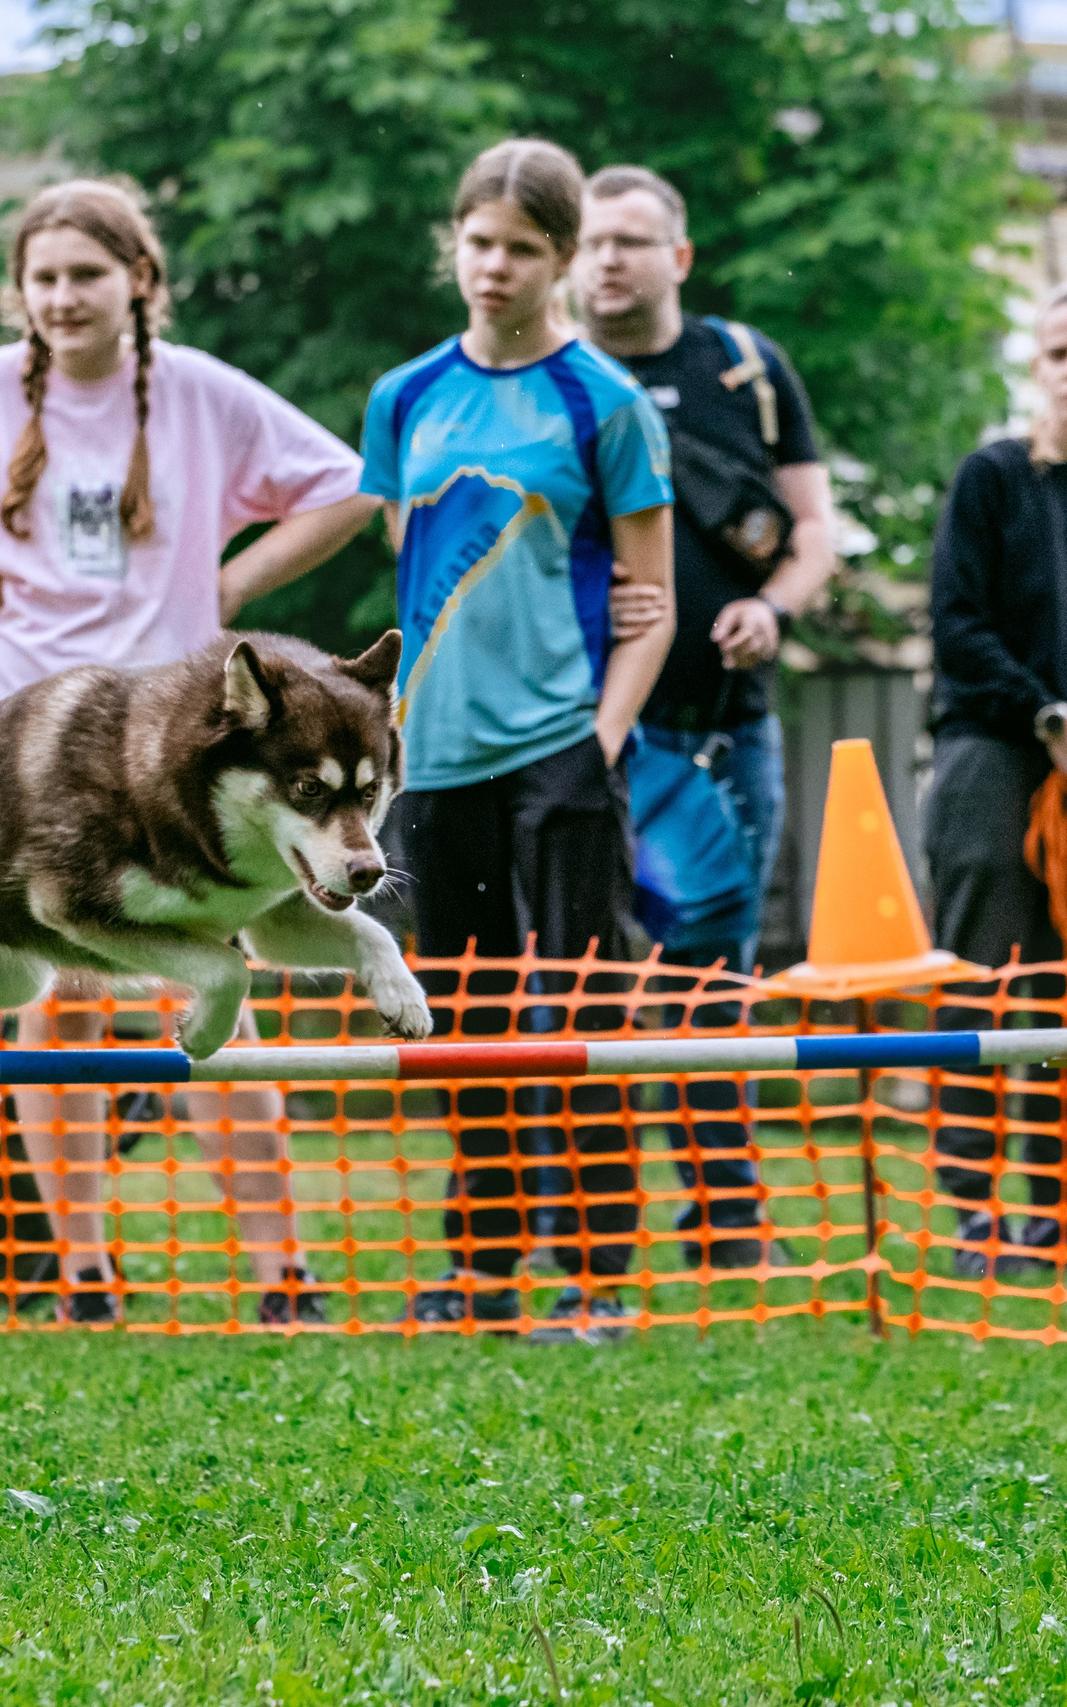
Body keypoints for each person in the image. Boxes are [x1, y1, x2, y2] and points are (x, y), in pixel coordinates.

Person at [0, 178, 381, 1325]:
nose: (62, 297)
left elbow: (349, 484)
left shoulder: (201, 394)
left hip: (166, 735)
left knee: (231, 988)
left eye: (86, 276)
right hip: (14, 734)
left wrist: (238, 583)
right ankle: (83, 1270)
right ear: (21, 293)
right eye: (43, 279)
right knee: (52, 1001)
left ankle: (279, 1272)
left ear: (139, 283)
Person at [358, 138, 677, 1337]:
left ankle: (595, 1279)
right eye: (476, 242)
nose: (493, 267)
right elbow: (411, 557)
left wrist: (598, 738)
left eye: (522, 249)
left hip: (562, 743)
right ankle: (481, 1268)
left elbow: (653, 604)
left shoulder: (606, 403)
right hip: (433, 758)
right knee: (469, 1019)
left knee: (579, 1011)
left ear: (560, 258)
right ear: (454, 242)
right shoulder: (405, 396)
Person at [573, 163, 839, 1275]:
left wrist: (770, 609)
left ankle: (725, 1214)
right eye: (593, 243)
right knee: (574, 970)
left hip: (718, 733)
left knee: (704, 979)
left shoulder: (745, 368)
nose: (610, 261)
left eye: (632, 241)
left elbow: (817, 528)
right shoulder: (553, 374)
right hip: (578, 735)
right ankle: (588, 1219)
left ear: (676, 258)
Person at [922, 274, 1067, 1278]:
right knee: (987, 987)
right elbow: (955, 627)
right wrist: (1048, 717)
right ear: (1036, 366)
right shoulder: (991, 477)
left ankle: (1065, 1213)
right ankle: (975, 1214)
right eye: (1058, 353)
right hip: (990, 761)